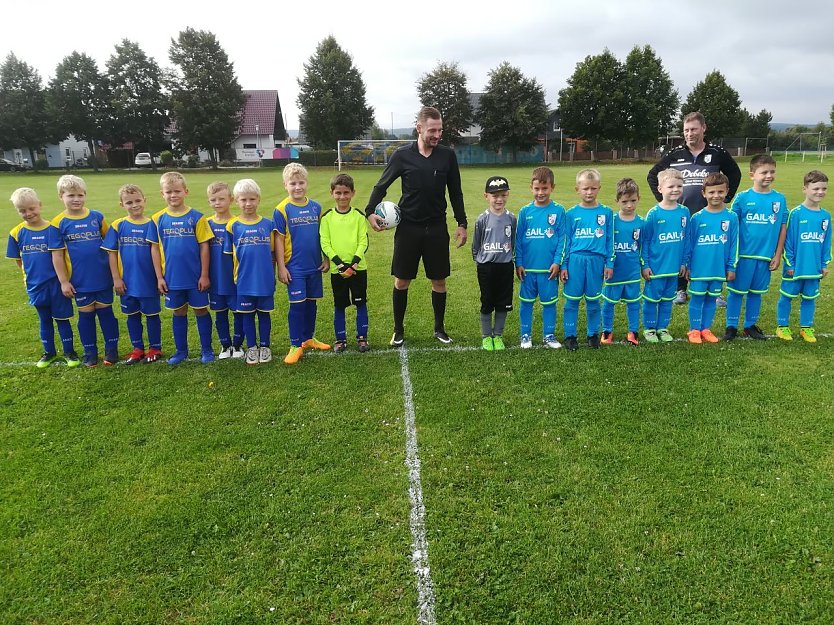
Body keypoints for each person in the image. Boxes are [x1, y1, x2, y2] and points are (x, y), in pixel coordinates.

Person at [364, 106, 467, 347]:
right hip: (408, 228)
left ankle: (439, 329)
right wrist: (369, 211)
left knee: (439, 281)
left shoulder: (447, 156)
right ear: (419, 128)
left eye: (440, 130)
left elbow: (456, 192)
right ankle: (398, 330)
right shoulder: (402, 155)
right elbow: (382, 185)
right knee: (402, 281)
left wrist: (461, 223)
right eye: (432, 130)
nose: (437, 135)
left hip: (436, 228)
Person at [647, 111, 741, 305]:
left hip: (709, 214)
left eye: (694, 129)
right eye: (686, 130)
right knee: (681, 249)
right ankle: (680, 289)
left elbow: (734, 173)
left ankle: (714, 290)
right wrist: (665, 201)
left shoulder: (717, 152)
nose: (689, 134)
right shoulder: (674, 154)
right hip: (681, 214)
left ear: (703, 129)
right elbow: (653, 175)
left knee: (710, 247)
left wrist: (726, 198)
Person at [49, 174, 120, 367]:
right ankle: (90, 352)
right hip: (79, 280)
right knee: (86, 315)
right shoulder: (57, 223)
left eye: (80, 195)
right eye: (71, 195)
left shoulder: (97, 217)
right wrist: (64, 281)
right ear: (61, 196)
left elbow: (111, 245)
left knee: (106, 313)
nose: (76, 199)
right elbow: (56, 255)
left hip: (103, 277)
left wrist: (116, 275)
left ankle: (112, 350)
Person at [7, 187, 80, 368]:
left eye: (31, 208)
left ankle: (69, 352)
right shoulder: (16, 233)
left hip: (56, 285)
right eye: (22, 211)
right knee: (44, 319)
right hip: (35, 286)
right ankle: (49, 353)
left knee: (62, 319)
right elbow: (18, 260)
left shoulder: (52, 230)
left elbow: (58, 257)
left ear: (39, 205)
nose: (28, 213)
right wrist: (29, 277)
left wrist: (64, 282)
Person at [152, 171, 215, 365]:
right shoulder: (157, 219)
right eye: (168, 191)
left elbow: (204, 246)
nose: (173, 195)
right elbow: (154, 248)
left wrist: (204, 275)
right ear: (162, 194)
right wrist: (159, 277)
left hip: (195, 277)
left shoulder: (197, 217)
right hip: (172, 278)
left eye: (177, 191)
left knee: (201, 311)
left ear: (185, 192)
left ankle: (207, 350)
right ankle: (181, 351)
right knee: (178, 312)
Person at [723, 154, 788, 341]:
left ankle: (749, 325)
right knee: (736, 292)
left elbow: (782, 227)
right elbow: (732, 227)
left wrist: (777, 254)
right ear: (752, 175)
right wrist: (730, 257)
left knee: (756, 293)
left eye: (772, 172)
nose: (769, 175)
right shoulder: (743, 198)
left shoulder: (779, 199)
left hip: (765, 256)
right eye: (764, 172)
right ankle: (731, 326)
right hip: (743, 256)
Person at [101, 184, 165, 364]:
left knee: (152, 315)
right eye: (129, 202)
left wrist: (159, 277)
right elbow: (111, 253)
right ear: (122, 205)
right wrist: (116, 278)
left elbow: (157, 251)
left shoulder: (153, 224)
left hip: (148, 281)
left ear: (145, 201)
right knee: (132, 315)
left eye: (138, 200)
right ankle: (137, 348)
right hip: (127, 282)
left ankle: (155, 348)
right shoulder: (118, 225)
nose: (134, 205)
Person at [274, 163, 330, 365]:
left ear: (307, 183)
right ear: (285, 185)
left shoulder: (315, 206)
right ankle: (295, 344)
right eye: (293, 183)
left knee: (311, 303)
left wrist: (325, 258)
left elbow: (323, 236)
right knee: (297, 306)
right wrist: (281, 267)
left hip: (314, 265)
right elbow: (278, 240)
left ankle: (308, 338)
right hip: (294, 267)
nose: (297, 187)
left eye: (301, 182)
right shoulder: (282, 209)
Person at [561, 168, 614, 351]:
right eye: (585, 189)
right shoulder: (571, 214)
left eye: (593, 188)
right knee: (571, 301)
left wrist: (609, 263)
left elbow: (609, 240)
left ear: (599, 188)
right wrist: (564, 265)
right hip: (576, 260)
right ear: (578, 189)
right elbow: (566, 242)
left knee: (593, 300)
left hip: (596, 262)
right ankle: (570, 335)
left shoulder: (606, 213)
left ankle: (592, 334)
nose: (589, 192)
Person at [682, 173, 739, 344]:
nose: (716, 195)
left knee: (711, 299)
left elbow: (734, 244)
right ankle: (694, 330)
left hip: (718, 268)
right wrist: (688, 265)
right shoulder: (697, 218)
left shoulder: (731, 217)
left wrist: (731, 267)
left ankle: (706, 329)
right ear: (704, 193)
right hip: (700, 268)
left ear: (727, 192)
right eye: (712, 192)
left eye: (720, 192)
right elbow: (689, 244)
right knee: (698, 298)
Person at [224, 179, 276, 365]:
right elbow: (228, 256)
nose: (248, 204)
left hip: (264, 279)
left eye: (252, 199)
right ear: (236, 201)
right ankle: (252, 348)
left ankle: (265, 346)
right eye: (243, 199)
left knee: (264, 314)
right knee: (247, 315)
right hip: (243, 280)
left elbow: (273, 254)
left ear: (259, 200)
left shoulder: (268, 225)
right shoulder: (232, 226)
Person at [775, 170, 830, 343]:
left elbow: (826, 242)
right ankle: (782, 327)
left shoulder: (826, 216)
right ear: (805, 189)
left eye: (823, 189)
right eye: (815, 188)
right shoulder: (796, 213)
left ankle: (806, 328)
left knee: (809, 298)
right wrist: (790, 264)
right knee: (787, 296)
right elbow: (788, 241)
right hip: (795, 267)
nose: (820, 192)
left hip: (813, 267)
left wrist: (824, 264)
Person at [320, 173, 371, 353]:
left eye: (346, 193)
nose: (342, 197)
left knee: (360, 302)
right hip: (338, 271)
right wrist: (340, 265)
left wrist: (354, 263)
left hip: (358, 269)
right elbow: (325, 243)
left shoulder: (358, 216)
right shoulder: (326, 218)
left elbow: (363, 242)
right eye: (338, 193)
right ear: (332, 193)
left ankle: (362, 338)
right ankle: (340, 339)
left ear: (353, 193)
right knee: (339, 304)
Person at [515, 167, 565, 349]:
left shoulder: (559, 211)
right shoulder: (525, 212)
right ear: (531, 188)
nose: (540, 193)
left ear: (552, 187)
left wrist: (557, 261)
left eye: (545, 189)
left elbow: (562, 239)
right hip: (528, 269)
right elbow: (518, 239)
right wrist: (518, 263)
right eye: (537, 189)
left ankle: (549, 335)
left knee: (549, 304)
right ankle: (525, 335)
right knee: (526, 303)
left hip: (548, 270)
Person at [640, 169, 689, 343]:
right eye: (671, 186)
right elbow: (645, 241)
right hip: (656, 267)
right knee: (652, 300)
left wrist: (684, 262)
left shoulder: (684, 212)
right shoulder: (654, 214)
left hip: (674, 267)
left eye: (679, 186)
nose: (676, 189)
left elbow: (686, 239)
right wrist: (645, 265)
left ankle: (662, 328)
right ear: (660, 188)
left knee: (668, 300)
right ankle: (650, 329)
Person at [472, 175, 516, 351]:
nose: (499, 199)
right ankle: (486, 336)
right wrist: (480, 261)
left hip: (505, 266)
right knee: (487, 301)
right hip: (486, 267)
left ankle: (497, 336)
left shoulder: (512, 218)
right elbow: (476, 244)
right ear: (486, 196)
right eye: (495, 195)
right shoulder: (482, 219)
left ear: (507, 195)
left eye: (503, 195)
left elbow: (513, 241)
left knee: (503, 302)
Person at [601, 178, 644, 346]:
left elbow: (643, 247)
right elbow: (605, 244)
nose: (629, 205)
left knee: (634, 303)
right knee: (609, 303)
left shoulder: (641, 223)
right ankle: (607, 331)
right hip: (614, 271)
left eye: (633, 201)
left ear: (638, 198)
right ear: (617, 200)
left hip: (632, 271)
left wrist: (644, 266)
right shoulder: (611, 221)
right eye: (625, 201)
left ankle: (633, 332)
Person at [207, 181, 244, 359]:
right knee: (220, 313)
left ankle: (237, 345)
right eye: (213, 200)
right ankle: (225, 345)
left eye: (221, 199)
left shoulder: (238, 223)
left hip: (235, 278)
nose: (217, 203)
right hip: (215, 279)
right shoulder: (206, 224)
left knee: (238, 312)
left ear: (231, 199)